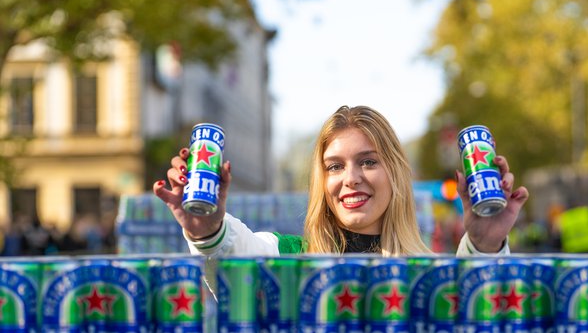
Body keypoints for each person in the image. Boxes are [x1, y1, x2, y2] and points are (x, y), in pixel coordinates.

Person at [153, 105, 528, 257]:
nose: (350, 179)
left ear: (396, 174)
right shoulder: (284, 255)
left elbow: (473, 311)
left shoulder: (427, 275)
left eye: (368, 162)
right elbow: (233, 255)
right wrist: (206, 231)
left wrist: (484, 243)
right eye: (334, 167)